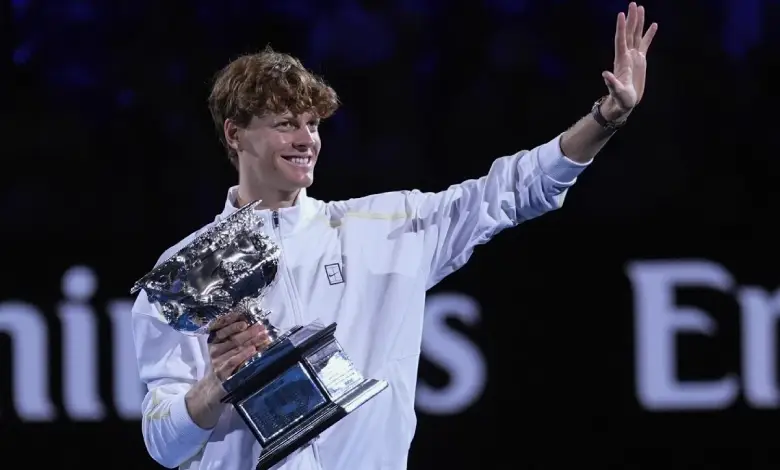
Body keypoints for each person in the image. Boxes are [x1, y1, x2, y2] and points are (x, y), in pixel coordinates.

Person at [131, 3, 657, 469]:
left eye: (313, 125)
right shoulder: (187, 269)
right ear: (234, 133)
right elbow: (163, 441)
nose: (306, 140)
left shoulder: (385, 226)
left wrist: (606, 118)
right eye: (285, 123)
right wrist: (215, 388)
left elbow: (512, 191)